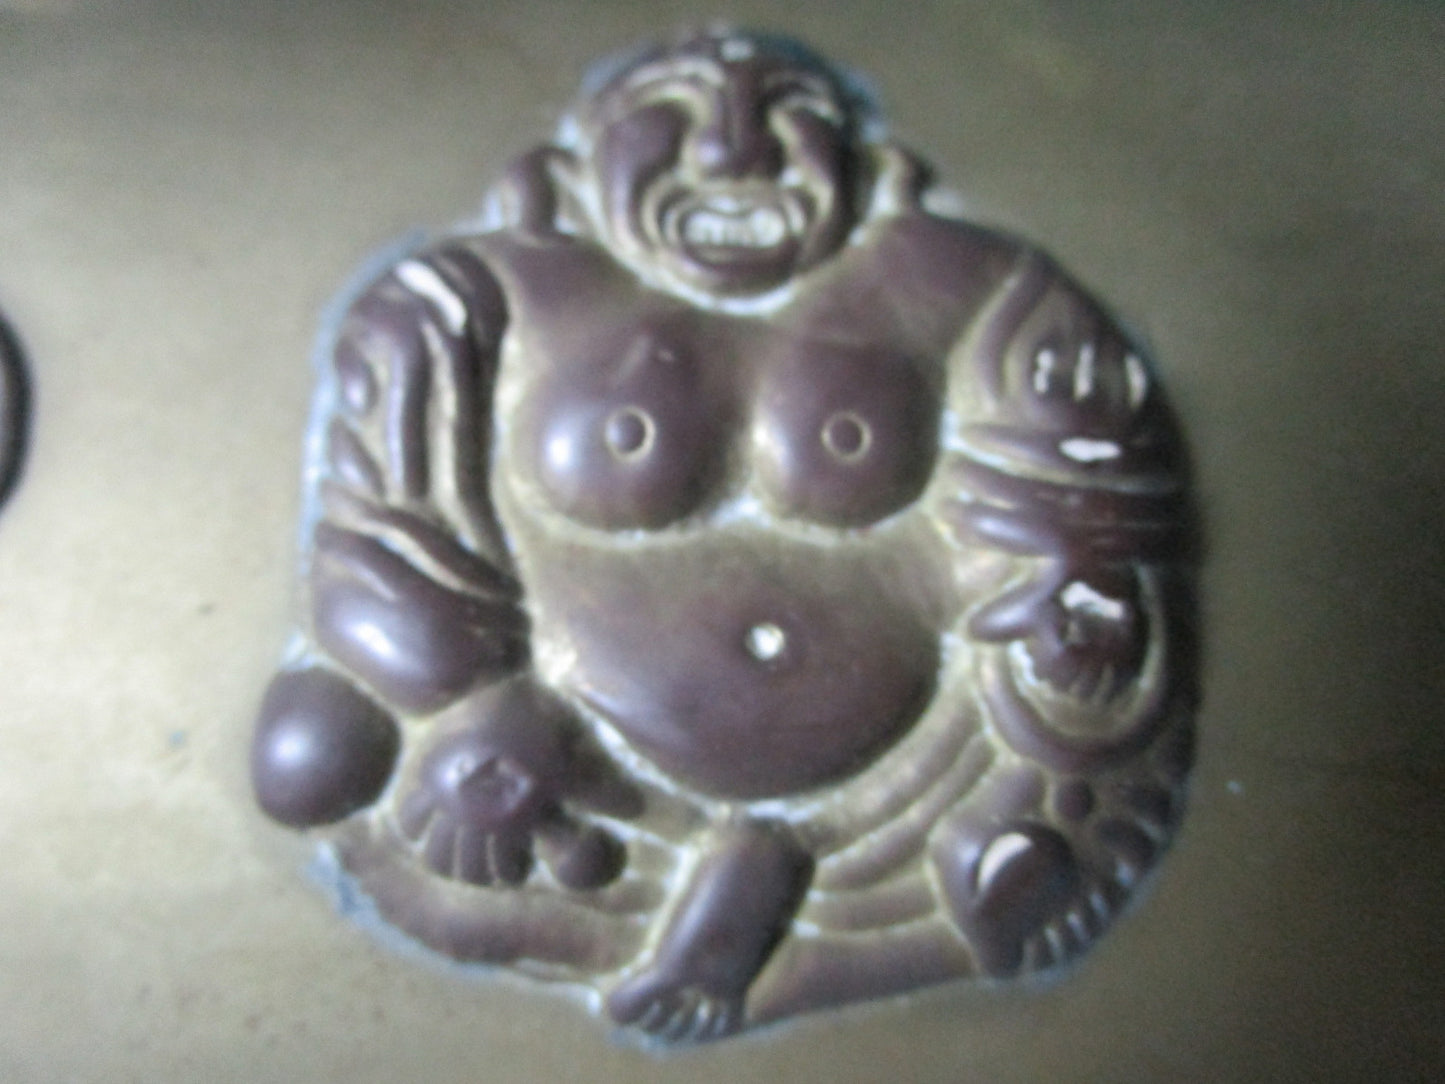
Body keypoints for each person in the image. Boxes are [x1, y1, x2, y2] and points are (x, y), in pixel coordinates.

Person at [252, 28, 1193, 1042]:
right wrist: (471, 697)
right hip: (566, 785)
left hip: (916, 791)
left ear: (865, 165)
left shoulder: (979, 288)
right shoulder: (474, 295)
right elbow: (387, 535)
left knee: (1057, 810)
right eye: (673, 116)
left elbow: (1072, 504)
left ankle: (821, 922)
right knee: (318, 755)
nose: (730, 153)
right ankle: (720, 904)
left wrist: (1068, 617)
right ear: (571, 170)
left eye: (787, 116)